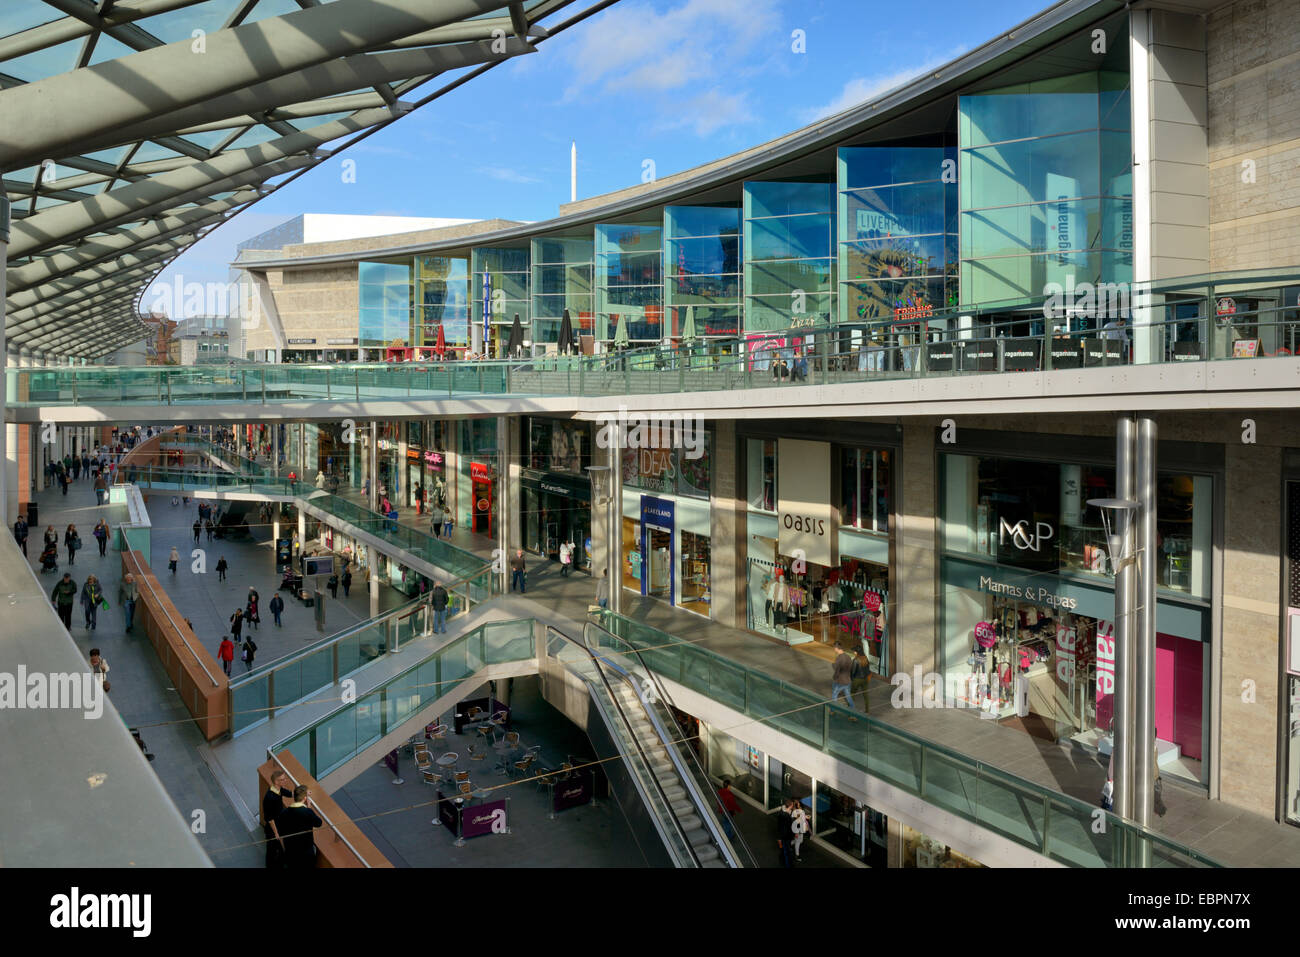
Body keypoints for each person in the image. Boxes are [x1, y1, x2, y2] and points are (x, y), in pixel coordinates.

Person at [276, 785, 323, 869]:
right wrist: (309, 808)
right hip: (306, 854)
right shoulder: (307, 812)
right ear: (305, 799)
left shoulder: (283, 813)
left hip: (291, 851)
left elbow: (281, 833)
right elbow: (319, 823)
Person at [262, 770, 293, 868]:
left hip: (279, 825)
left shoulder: (279, 790)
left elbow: (290, 794)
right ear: (276, 782)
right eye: (282, 780)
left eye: (285, 778)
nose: (285, 781)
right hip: (272, 829)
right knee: (272, 850)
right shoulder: (270, 797)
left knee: (280, 848)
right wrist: (276, 833)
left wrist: (303, 793)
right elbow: (270, 819)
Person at [831, 642, 857, 711]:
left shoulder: (839, 658)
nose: (834, 649)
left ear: (837, 648)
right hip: (847, 681)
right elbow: (851, 668)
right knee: (848, 696)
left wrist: (833, 665)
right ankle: (853, 710)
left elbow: (836, 669)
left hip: (840, 681)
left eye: (834, 648)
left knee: (834, 695)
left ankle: (832, 710)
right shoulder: (848, 657)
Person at [776, 798, 796, 868]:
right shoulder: (787, 816)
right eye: (792, 805)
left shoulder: (781, 813)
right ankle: (788, 865)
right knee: (787, 852)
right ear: (790, 806)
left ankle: (782, 861)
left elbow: (779, 826)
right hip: (786, 836)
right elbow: (789, 828)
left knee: (784, 850)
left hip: (782, 835)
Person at [790, 798, 810, 862]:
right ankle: (797, 855)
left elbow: (801, 818)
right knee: (798, 842)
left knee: (800, 841)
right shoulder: (796, 812)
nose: (800, 806)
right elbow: (796, 821)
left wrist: (806, 817)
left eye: (800, 805)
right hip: (798, 830)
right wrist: (796, 832)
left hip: (801, 829)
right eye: (798, 805)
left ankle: (788, 844)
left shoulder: (800, 812)